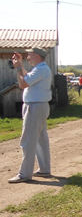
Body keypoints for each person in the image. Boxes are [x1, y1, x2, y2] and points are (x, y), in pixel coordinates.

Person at [8, 48, 53, 183]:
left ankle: (24, 174)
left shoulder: (41, 69)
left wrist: (17, 69)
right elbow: (27, 78)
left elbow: (22, 83)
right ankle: (44, 169)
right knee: (40, 139)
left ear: (37, 56)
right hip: (38, 105)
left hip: (34, 106)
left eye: (29, 54)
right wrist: (20, 66)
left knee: (28, 140)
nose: (27, 57)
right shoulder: (40, 69)